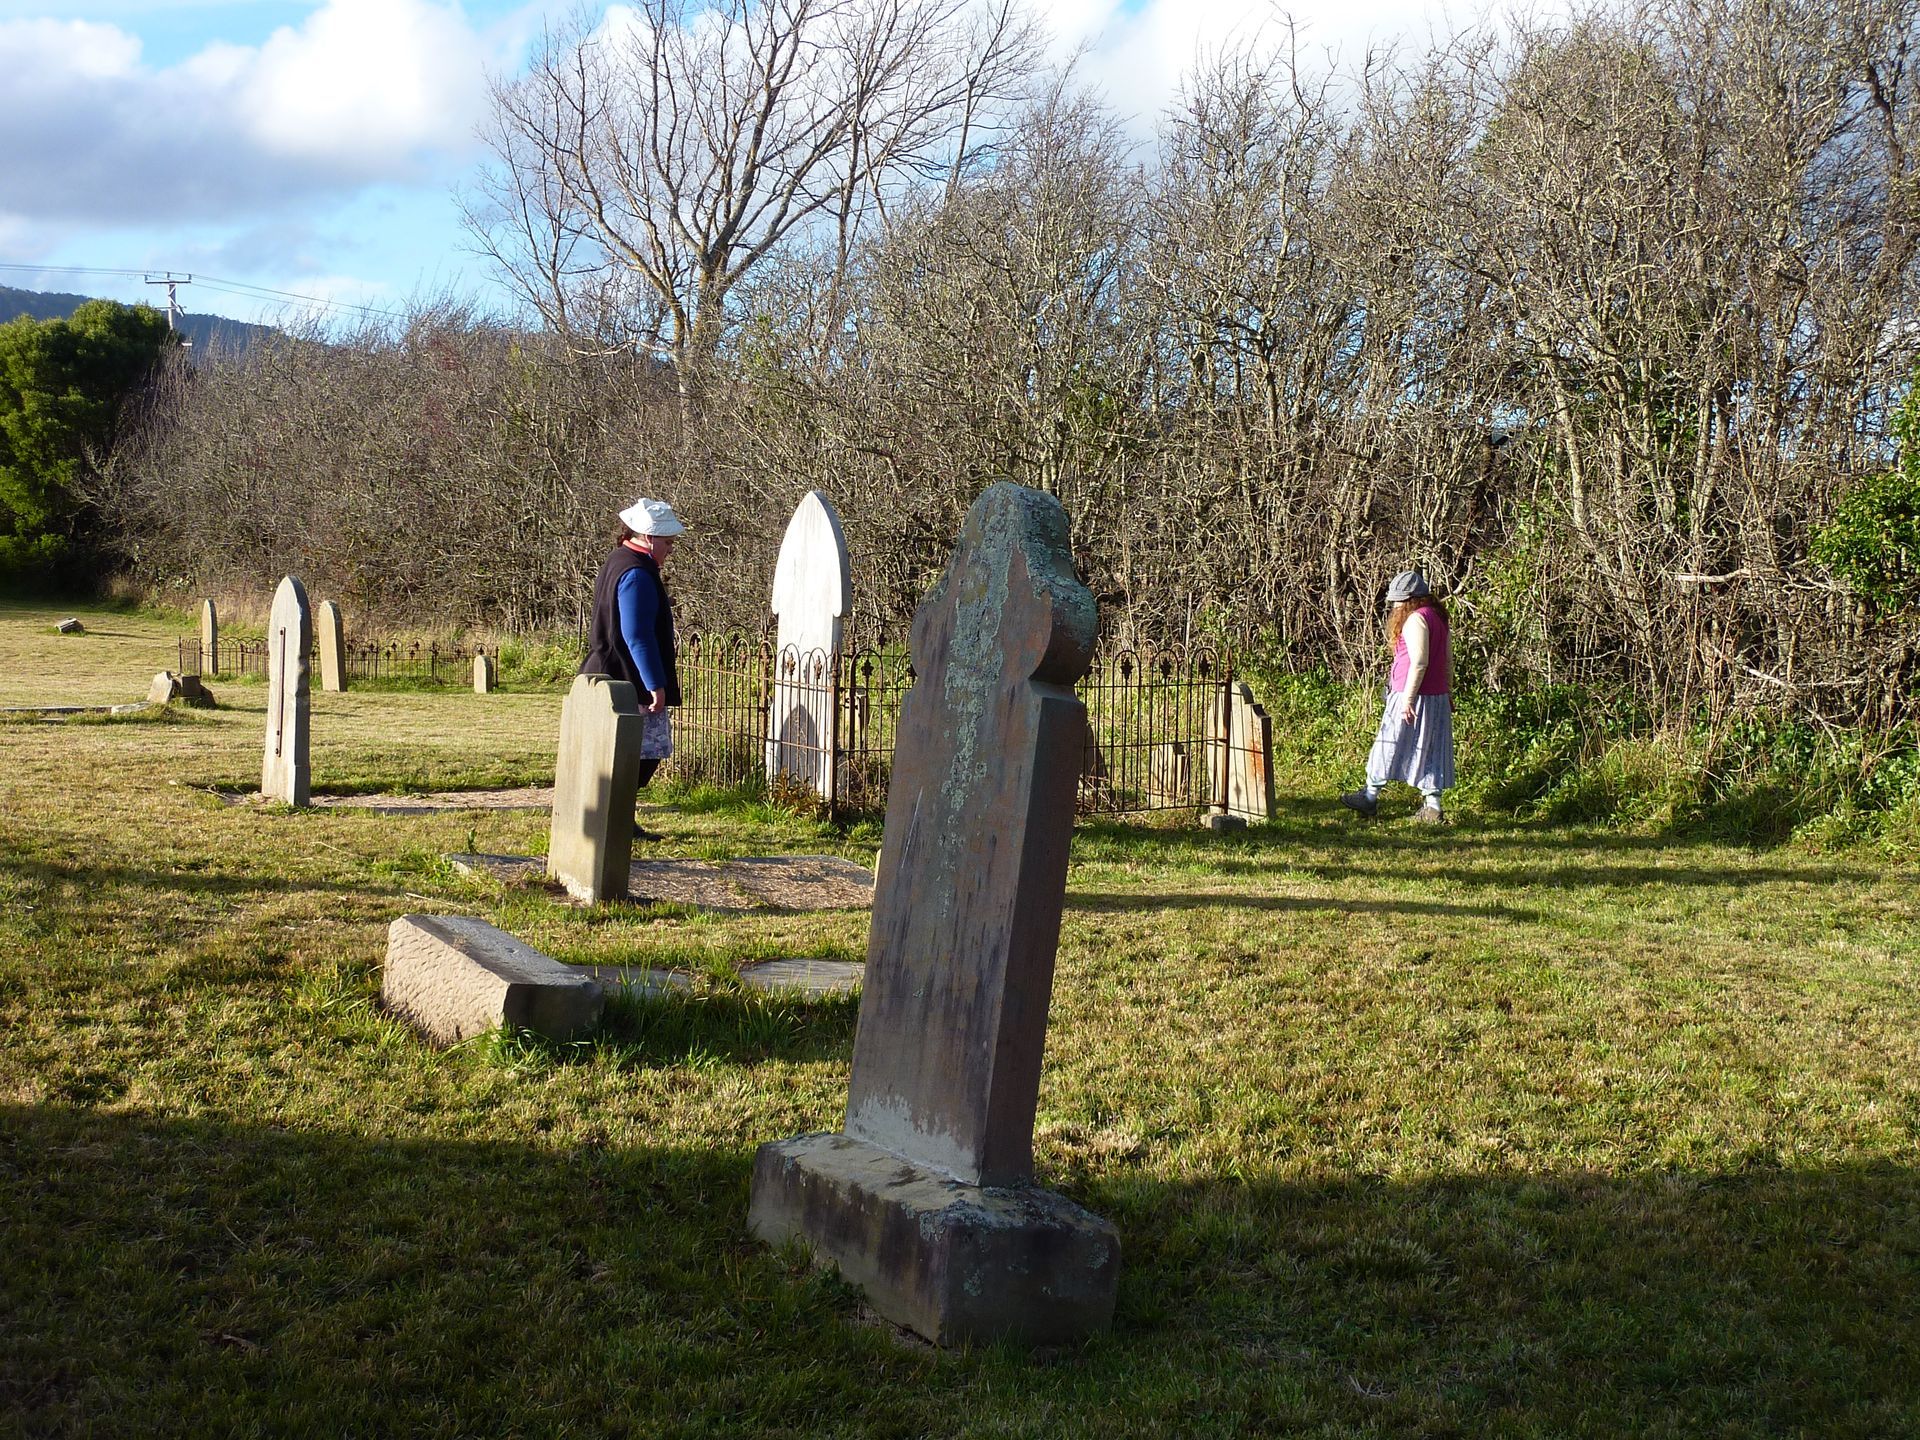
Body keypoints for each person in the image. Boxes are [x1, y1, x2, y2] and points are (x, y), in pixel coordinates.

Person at [582, 498, 686, 835]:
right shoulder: (637, 574)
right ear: (648, 537)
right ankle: (617, 820)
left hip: (607, 670)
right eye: (667, 542)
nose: (671, 549)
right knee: (638, 755)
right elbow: (636, 634)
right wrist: (655, 683)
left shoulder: (618, 560)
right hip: (627, 677)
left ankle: (616, 818)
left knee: (625, 753)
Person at [1342, 569, 1454, 824]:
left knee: (1387, 743)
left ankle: (1370, 797)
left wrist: (1408, 699)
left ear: (1411, 599)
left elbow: (1419, 662)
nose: (1394, 605)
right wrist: (1447, 690)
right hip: (1435, 696)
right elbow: (1448, 660)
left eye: (1398, 600)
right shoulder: (1438, 617)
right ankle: (1433, 806)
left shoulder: (1416, 619)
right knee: (1431, 750)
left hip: (1410, 694)